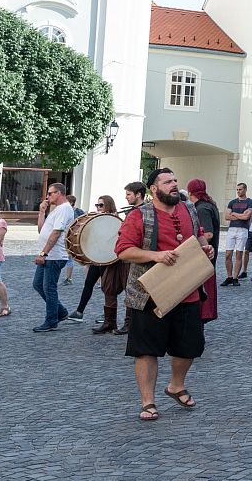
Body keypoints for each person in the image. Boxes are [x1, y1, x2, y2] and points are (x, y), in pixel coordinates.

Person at [115, 167, 213, 422]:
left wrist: (205, 248)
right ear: (154, 189)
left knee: (190, 346)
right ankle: (148, 401)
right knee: (146, 349)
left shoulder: (189, 209)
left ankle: (175, 386)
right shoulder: (139, 215)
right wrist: (155, 255)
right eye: (167, 181)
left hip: (187, 290)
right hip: (150, 293)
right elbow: (123, 250)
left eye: (175, 180)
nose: (174, 184)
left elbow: (199, 235)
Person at [67, 195, 123, 327]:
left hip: (110, 259)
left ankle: (108, 315)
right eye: (97, 205)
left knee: (108, 288)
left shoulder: (115, 220)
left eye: (101, 205)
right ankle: (79, 312)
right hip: (97, 258)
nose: (98, 208)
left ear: (108, 205)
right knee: (89, 284)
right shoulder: (97, 219)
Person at [31, 182, 75, 332]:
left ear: (59, 193)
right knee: (38, 284)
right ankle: (60, 312)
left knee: (49, 288)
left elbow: (56, 233)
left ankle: (51, 320)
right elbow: (41, 230)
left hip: (54, 255)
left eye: (50, 193)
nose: (48, 197)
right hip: (49, 255)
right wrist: (42, 212)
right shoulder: (56, 209)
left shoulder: (64, 209)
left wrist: (44, 253)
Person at [185, 179, 221, 324]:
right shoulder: (208, 205)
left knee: (201, 300)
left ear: (190, 192)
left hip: (203, 259)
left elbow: (208, 234)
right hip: (207, 259)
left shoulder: (202, 208)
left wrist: (188, 246)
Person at [222, 183, 252, 286]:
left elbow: (246, 217)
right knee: (228, 254)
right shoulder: (232, 202)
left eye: (240, 189)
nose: (238, 191)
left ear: (245, 189)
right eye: (237, 189)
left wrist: (234, 214)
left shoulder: (250, 202)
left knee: (239, 254)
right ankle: (229, 276)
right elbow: (226, 216)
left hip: (243, 230)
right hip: (232, 229)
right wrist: (240, 215)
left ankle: (235, 278)